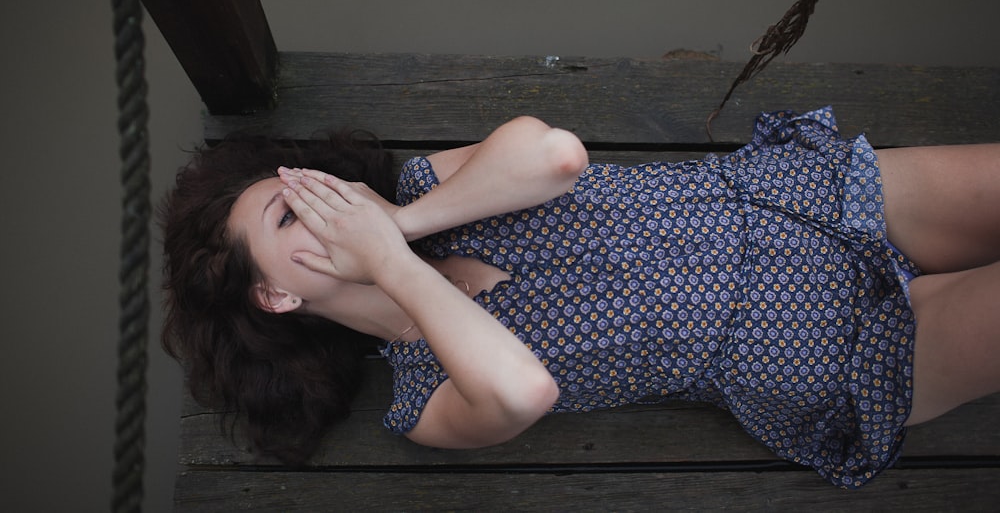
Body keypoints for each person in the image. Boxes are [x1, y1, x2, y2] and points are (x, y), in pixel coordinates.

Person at [160, 107, 1000, 488]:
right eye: (286, 212)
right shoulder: (422, 398)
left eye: (304, 185)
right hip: (804, 343)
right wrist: (389, 265)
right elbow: (524, 391)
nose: (320, 202)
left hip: (787, 197)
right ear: (273, 293)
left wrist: (405, 222)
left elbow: (555, 154)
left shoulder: (427, 188)